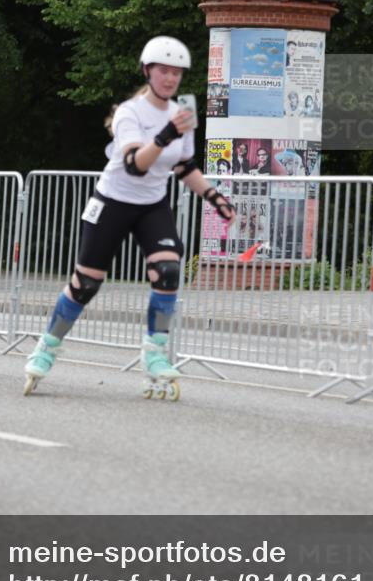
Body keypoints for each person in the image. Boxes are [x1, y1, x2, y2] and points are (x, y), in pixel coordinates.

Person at [23, 36, 236, 397]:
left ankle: (154, 354)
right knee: (85, 284)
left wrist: (215, 197)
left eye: (177, 73)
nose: (170, 79)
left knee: (168, 270)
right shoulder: (130, 112)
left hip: (152, 204)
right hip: (113, 200)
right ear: (147, 71)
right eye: (163, 71)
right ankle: (47, 346)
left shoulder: (182, 114)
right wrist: (167, 134)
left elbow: (184, 166)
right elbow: (135, 165)